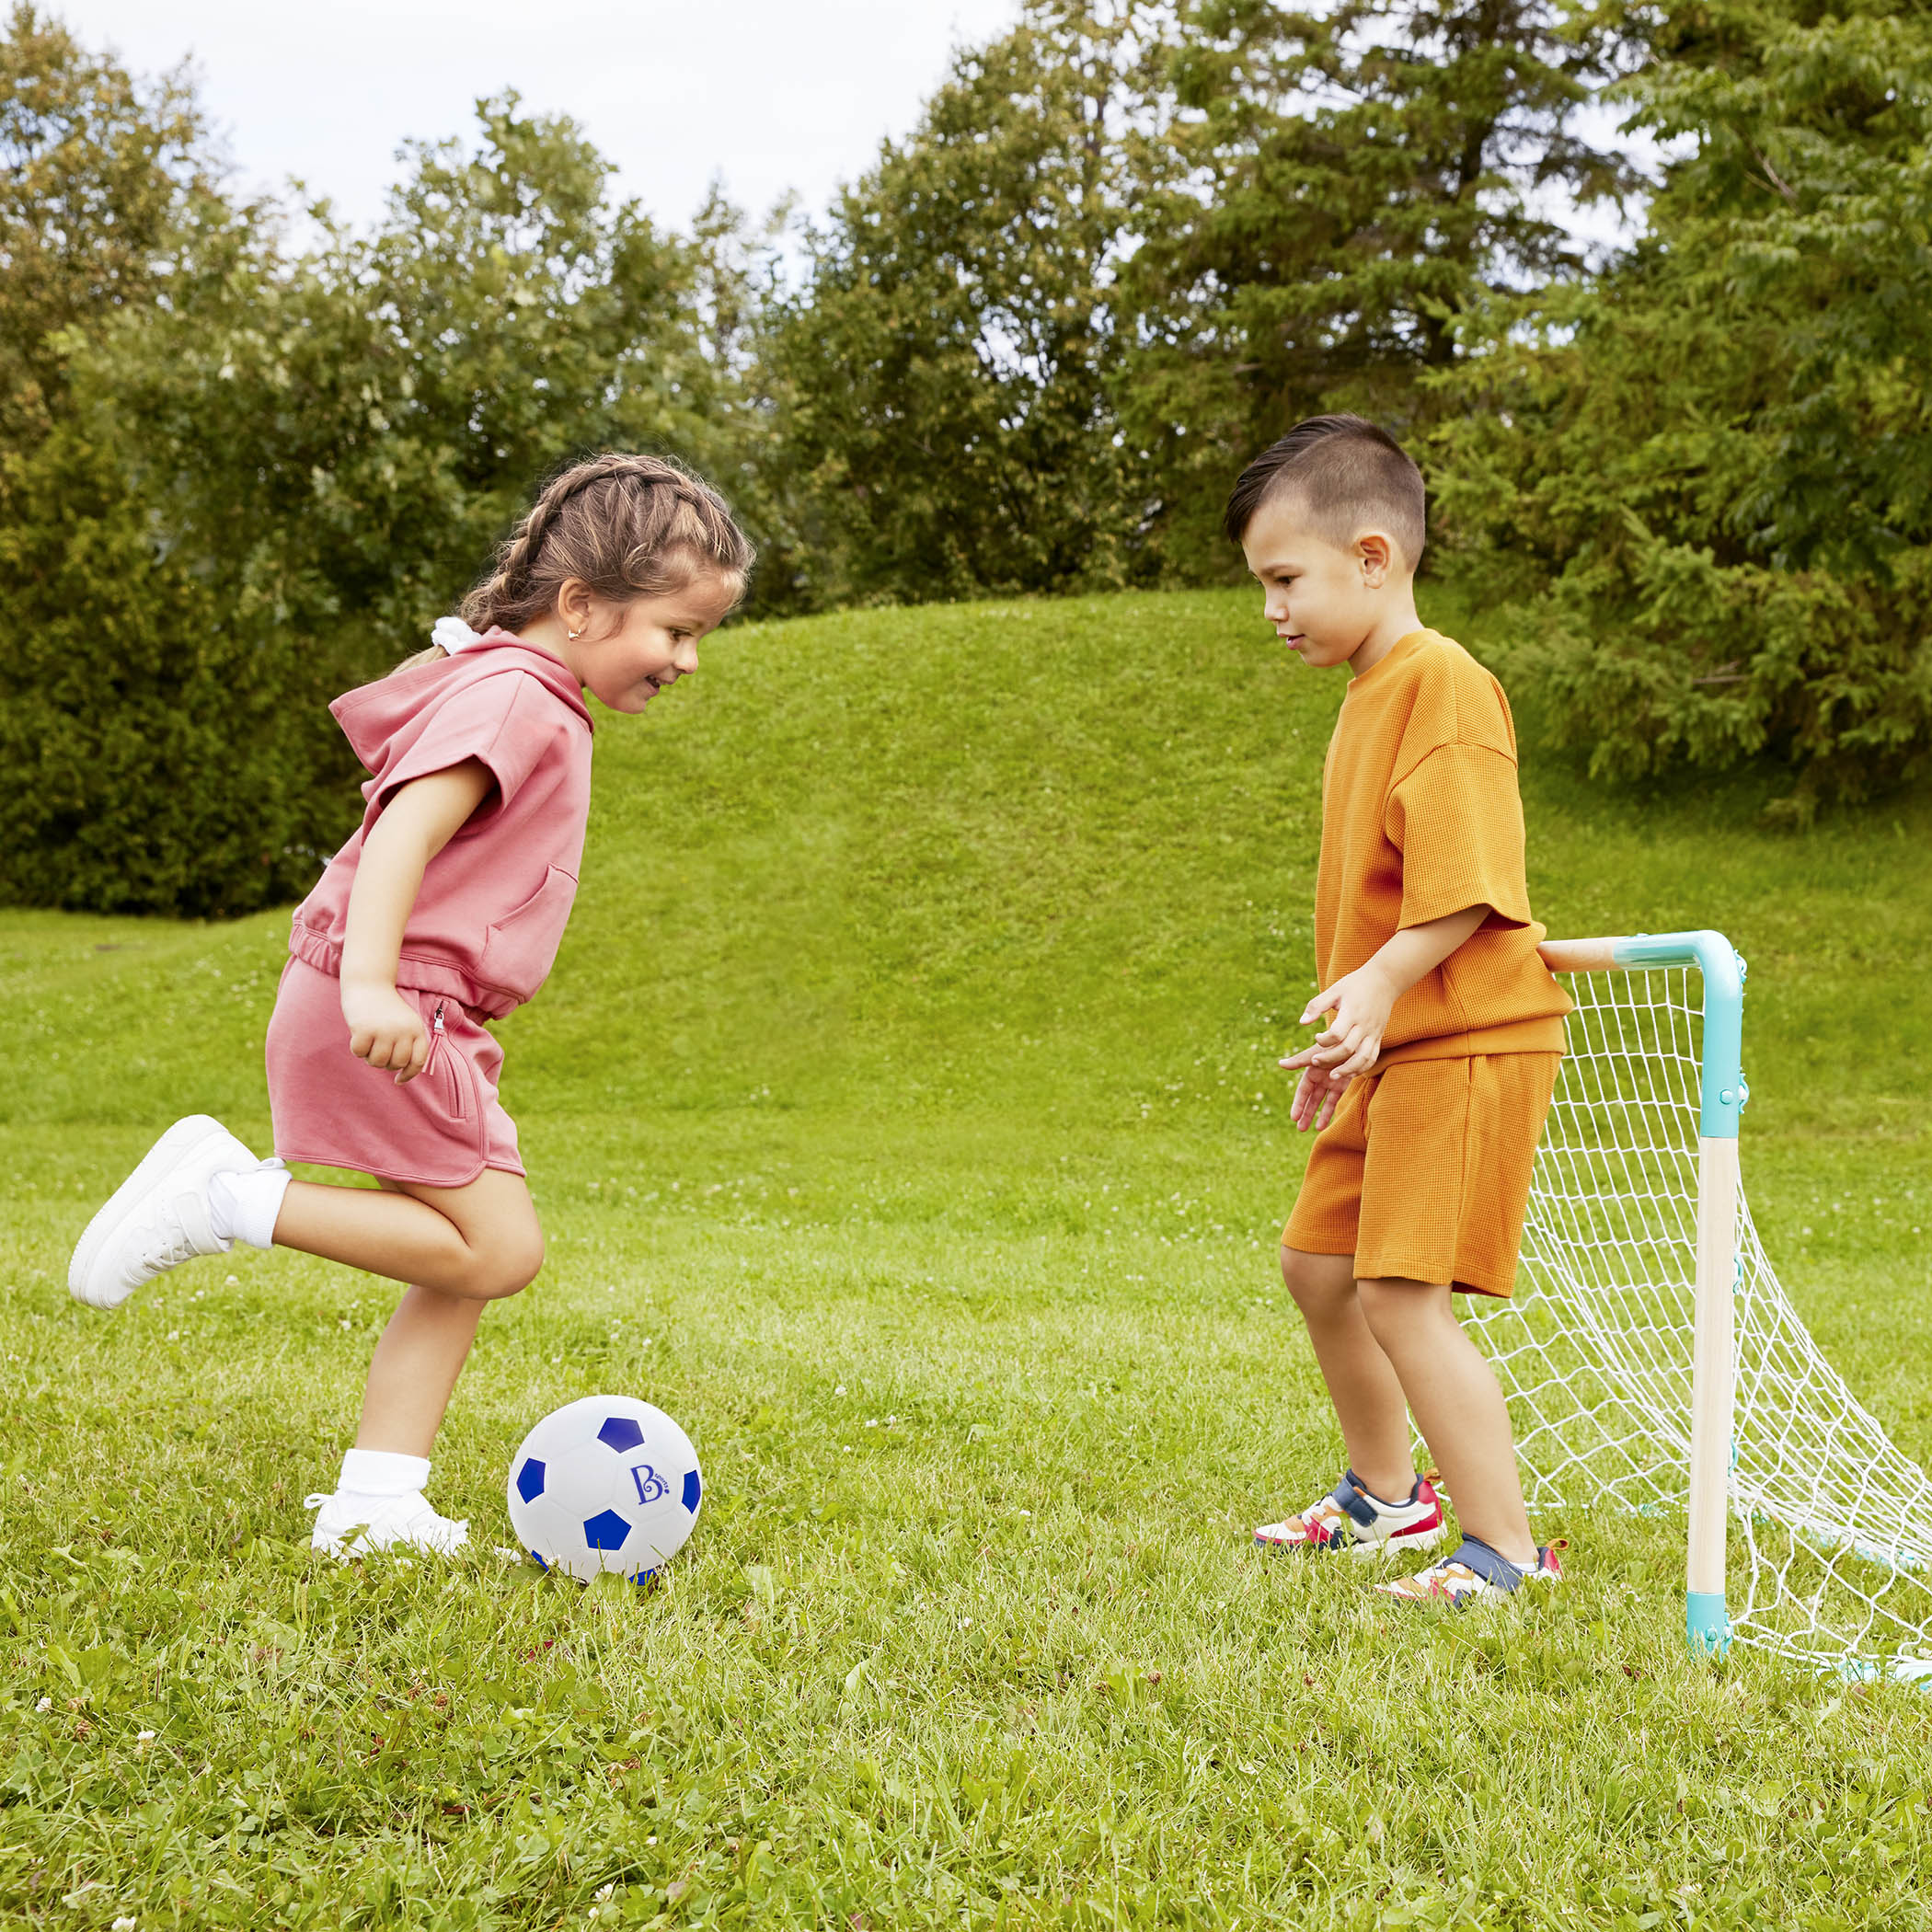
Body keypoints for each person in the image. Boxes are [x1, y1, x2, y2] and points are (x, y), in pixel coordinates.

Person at [67, 454, 753, 1558]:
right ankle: (226, 1201)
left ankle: (377, 1501)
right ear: (580, 605)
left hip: (415, 1009)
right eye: (674, 630)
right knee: (497, 1250)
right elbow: (401, 834)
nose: (687, 658)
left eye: (700, 636)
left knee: (456, 1253)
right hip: (398, 1010)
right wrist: (374, 985)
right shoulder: (520, 699)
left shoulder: (517, 686)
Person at [1231, 415, 1570, 1605]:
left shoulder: (1445, 685)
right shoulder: (1370, 691)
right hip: (1396, 1047)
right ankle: (1388, 1498)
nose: (1271, 609)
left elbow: (1473, 890)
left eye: (1286, 579)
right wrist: (1355, 1029)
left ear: (1373, 557)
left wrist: (1381, 984)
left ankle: (1506, 1554)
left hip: (1469, 1040)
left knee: (1400, 1295)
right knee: (1317, 1267)